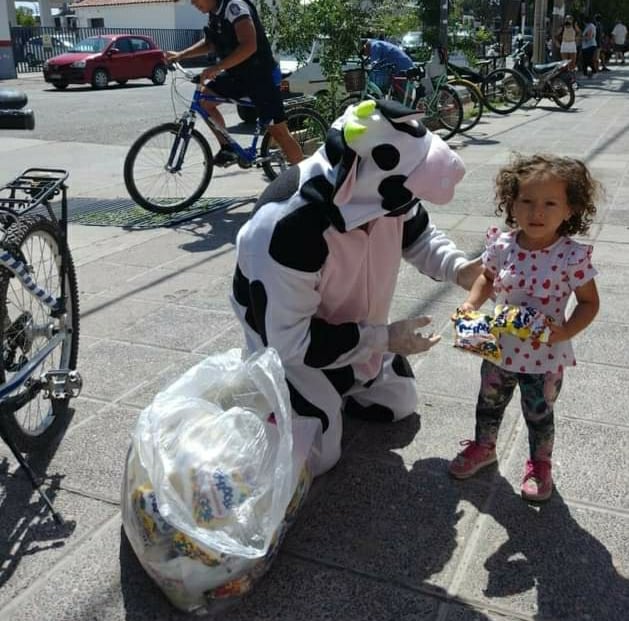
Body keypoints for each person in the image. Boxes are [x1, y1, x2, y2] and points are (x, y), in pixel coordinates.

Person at [231, 99, 482, 477]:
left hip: (357, 328)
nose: (410, 205)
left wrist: (460, 269)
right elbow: (288, 341)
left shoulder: (386, 195)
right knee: (317, 454)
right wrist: (383, 339)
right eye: (409, 193)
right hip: (290, 348)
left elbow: (417, 235)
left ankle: (342, 379)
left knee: (398, 402)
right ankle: (276, 394)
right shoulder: (289, 226)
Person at [448, 153, 601, 502]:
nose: (537, 212)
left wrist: (566, 331)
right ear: (511, 204)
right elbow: (486, 278)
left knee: (539, 413)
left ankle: (539, 464)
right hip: (499, 347)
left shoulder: (571, 256)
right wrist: (472, 304)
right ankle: (484, 447)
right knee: (488, 402)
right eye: (527, 201)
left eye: (550, 203)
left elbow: (590, 302)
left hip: (544, 356)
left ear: (570, 209)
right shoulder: (502, 245)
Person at [166, 0, 302, 168]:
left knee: (279, 133)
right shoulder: (214, 13)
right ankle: (227, 148)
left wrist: (216, 68)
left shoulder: (234, 7)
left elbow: (249, 45)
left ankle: (305, 180)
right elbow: (211, 43)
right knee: (205, 101)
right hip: (238, 76)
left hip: (261, 77)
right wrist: (181, 55)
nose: (193, 3)